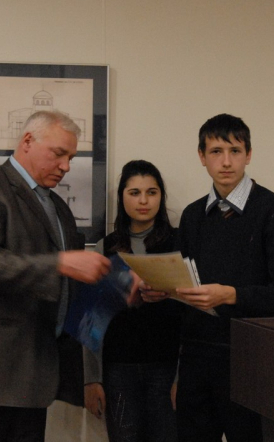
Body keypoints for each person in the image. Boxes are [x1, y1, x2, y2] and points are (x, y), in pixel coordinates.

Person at [0, 110, 117, 442]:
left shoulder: (59, 209)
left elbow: (69, 286)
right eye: (59, 154)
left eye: (71, 158)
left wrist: (118, 285)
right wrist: (61, 263)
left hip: (31, 383)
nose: (66, 166)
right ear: (28, 141)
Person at [152, 113, 274, 442]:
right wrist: (162, 291)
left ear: (249, 154)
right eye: (216, 151)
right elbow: (184, 289)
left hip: (249, 360)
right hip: (195, 358)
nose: (226, 161)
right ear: (201, 157)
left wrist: (229, 295)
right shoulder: (192, 215)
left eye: (235, 151)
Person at [82, 160, 181, 442]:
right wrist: (91, 379)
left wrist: (182, 376)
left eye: (152, 192)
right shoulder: (106, 247)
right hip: (119, 369)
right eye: (134, 192)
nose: (143, 201)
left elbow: (192, 313)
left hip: (166, 368)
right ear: (122, 197)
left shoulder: (179, 243)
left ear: (161, 197)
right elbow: (92, 318)